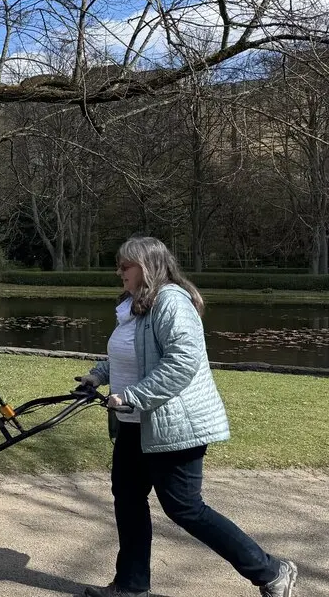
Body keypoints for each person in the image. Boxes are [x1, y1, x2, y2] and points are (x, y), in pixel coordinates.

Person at [77, 236, 297, 597]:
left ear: (146, 268)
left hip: (173, 426)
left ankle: (272, 571)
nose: (120, 272)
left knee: (185, 508)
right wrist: (98, 375)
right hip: (135, 424)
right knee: (128, 500)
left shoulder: (171, 303)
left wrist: (133, 396)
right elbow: (128, 354)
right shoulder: (136, 305)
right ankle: (131, 586)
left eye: (126, 265)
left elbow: (181, 362)